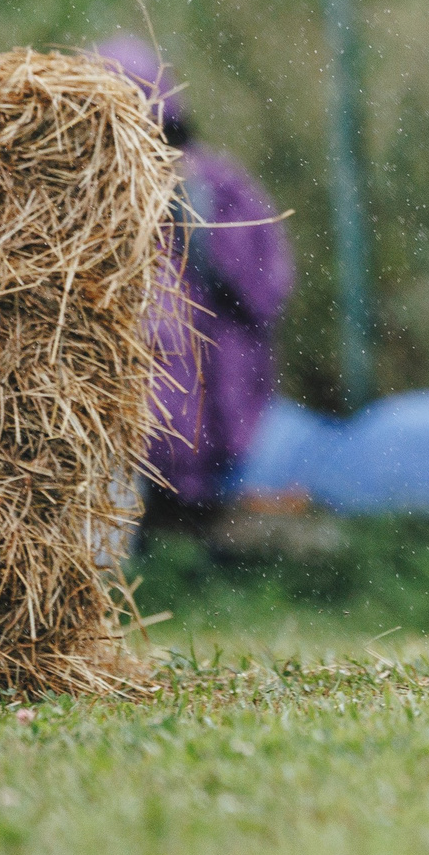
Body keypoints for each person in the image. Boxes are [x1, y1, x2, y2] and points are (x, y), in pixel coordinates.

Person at [96, 37, 295, 551]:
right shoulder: (92, 188)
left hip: (203, 389)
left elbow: (264, 282)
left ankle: (184, 554)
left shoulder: (207, 186)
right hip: (151, 402)